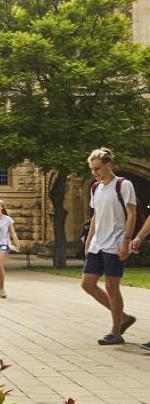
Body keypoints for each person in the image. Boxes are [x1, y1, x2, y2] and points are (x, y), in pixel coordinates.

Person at [81, 148, 138, 345]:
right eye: (92, 169)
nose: (95, 172)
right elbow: (96, 215)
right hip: (98, 243)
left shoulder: (123, 185)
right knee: (87, 284)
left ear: (108, 165)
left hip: (116, 243)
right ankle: (123, 317)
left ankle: (116, 332)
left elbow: (131, 213)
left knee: (111, 286)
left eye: (97, 168)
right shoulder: (96, 187)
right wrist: (89, 239)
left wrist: (127, 240)